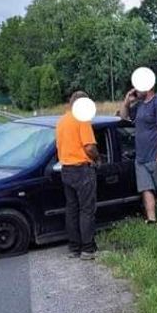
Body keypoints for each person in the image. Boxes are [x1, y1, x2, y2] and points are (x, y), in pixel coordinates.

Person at [120, 75, 157, 224]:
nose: (135, 89)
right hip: (141, 157)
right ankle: (152, 220)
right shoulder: (139, 105)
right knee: (146, 189)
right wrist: (126, 102)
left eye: (138, 86)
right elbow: (123, 118)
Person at [55, 90, 102, 259]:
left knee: (72, 210)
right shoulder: (82, 119)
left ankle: (74, 248)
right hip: (82, 169)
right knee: (87, 210)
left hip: (66, 169)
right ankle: (87, 249)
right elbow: (89, 147)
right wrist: (97, 158)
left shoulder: (62, 121)